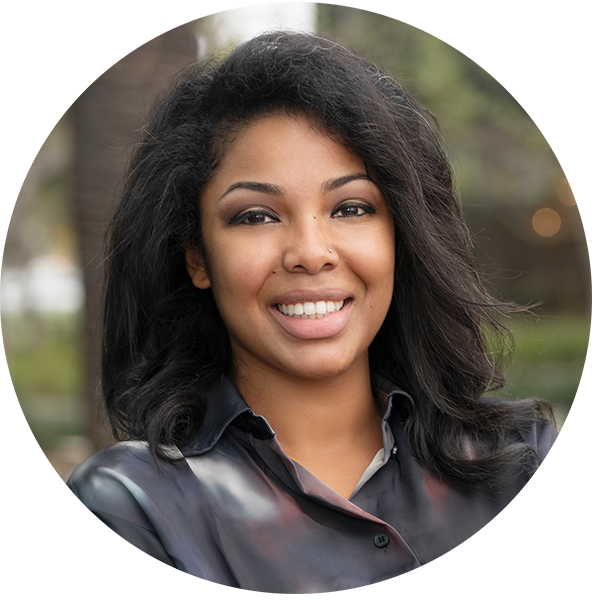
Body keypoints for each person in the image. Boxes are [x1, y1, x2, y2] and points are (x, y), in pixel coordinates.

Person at [69, 32, 554, 593]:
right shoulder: (131, 506)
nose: (311, 252)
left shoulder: (523, 462)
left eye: (351, 207)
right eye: (255, 216)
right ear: (197, 257)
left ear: (401, 236)